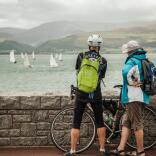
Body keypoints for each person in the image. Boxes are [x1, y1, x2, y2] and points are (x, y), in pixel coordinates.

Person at [64, 34, 108, 156]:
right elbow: (101, 76)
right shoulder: (103, 60)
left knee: (76, 122)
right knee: (100, 121)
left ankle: (73, 151)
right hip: (95, 93)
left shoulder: (81, 56)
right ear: (99, 46)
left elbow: (78, 70)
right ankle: (102, 149)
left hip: (81, 93)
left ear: (89, 45)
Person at [111, 41, 149, 156]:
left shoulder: (133, 60)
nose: (126, 54)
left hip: (133, 97)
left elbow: (125, 72)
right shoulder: (143, 59)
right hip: (142, 95)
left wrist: (132, 83)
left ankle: (140, 152)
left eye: (127, 52)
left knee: (137, 124)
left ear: (131, 51)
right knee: (126, 123)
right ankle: (120, 149)